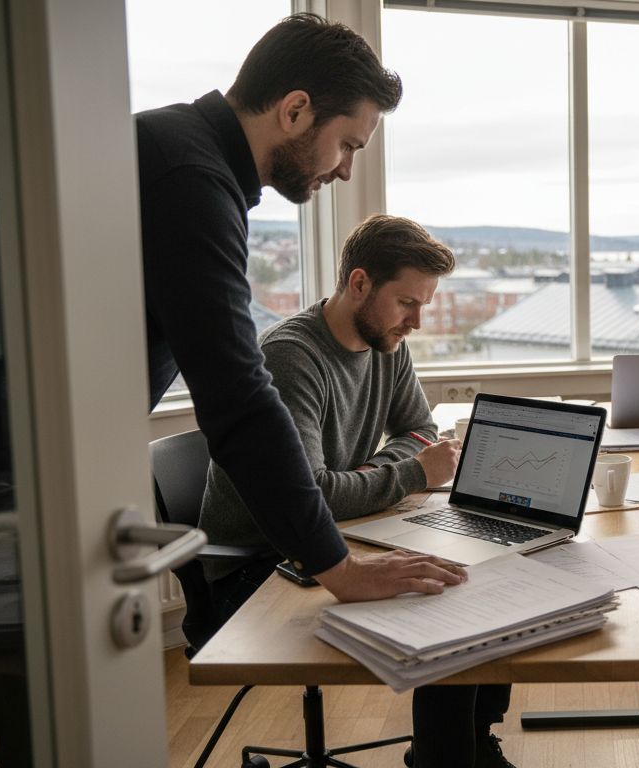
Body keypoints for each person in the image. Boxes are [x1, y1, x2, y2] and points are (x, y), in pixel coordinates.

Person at [134, 14, 463, 605]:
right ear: (295, 110)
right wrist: (341, 570)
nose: (346, 169)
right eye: (348, 144)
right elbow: (238, 398)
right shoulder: (190, 180)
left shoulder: (184, 157)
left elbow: (416, 429)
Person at [200, 214, 513, 767]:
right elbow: (314, 496)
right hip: (259, 565)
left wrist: (375, 474)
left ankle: (469, 745)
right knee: (445, 606)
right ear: (360, 283)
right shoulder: (291, 357)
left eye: (424, 305)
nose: (417, 322)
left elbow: (420, 430)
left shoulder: (386, 342)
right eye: (407, 303)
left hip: (344, 532)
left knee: (473, 576)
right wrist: (409, 474)